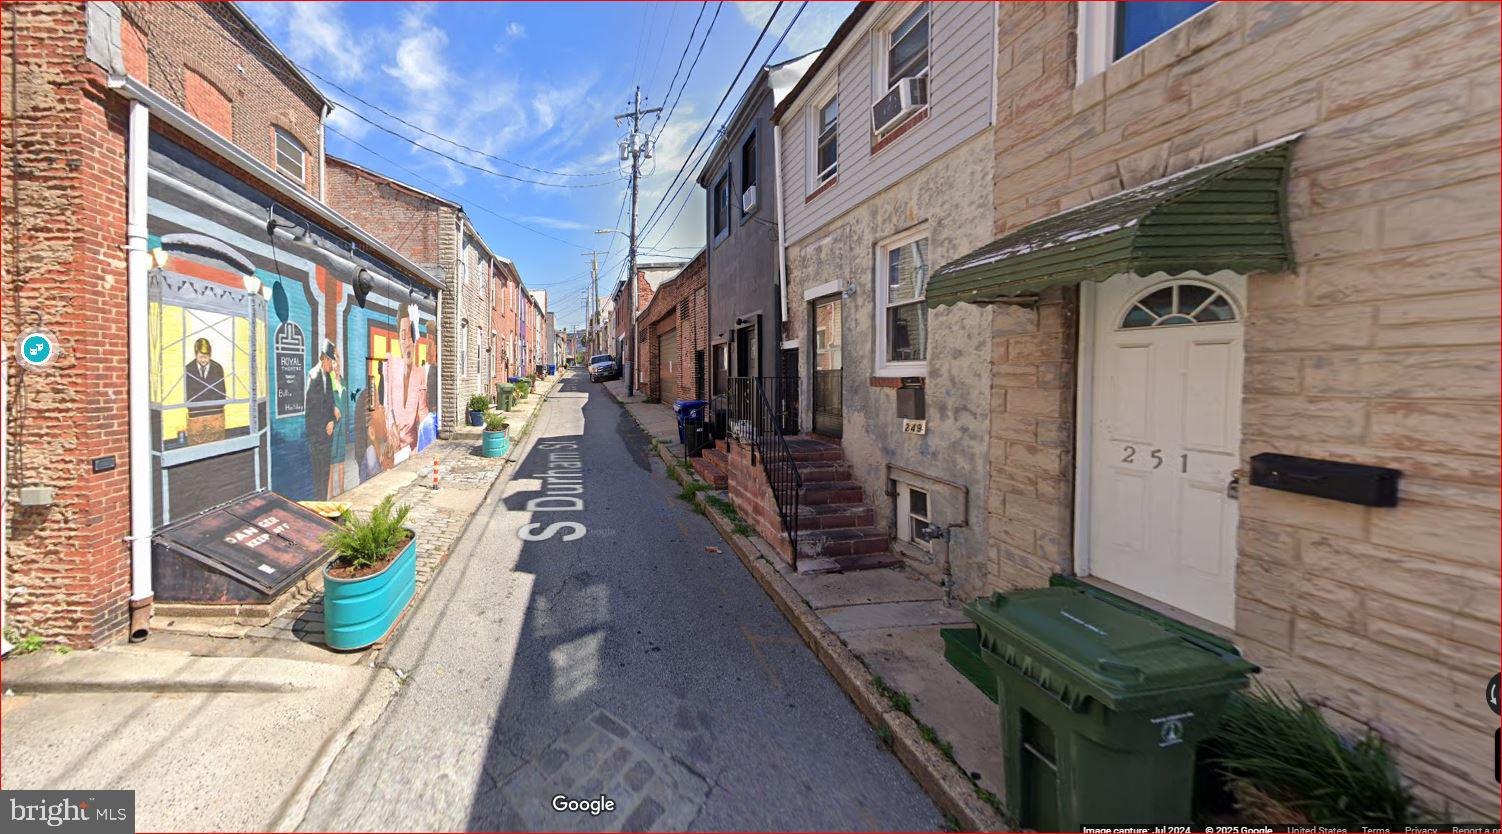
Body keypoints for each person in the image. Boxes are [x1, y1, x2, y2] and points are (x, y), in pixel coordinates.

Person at [305, 340, 341, 500]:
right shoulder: (314, 376)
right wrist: (330, 421)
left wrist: (334, 408)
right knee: (318, 475)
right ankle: (318, 504)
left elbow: (327, 401)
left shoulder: (327, 375)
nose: (333, 366)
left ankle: (323, 501)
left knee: (325, 472)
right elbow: (314, 409)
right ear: (325, 359)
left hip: (326, 437)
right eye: (331, 361)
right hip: (318, 437)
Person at [183, 337, 227, 443]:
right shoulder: (188, 369)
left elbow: (222, 394)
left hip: (215, 414)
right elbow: (189, 395)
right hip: (196, 416)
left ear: (210, 355)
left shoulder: (218, 368)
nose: (203, 360)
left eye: (206, 357)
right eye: (200, 357)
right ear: (195, 355)